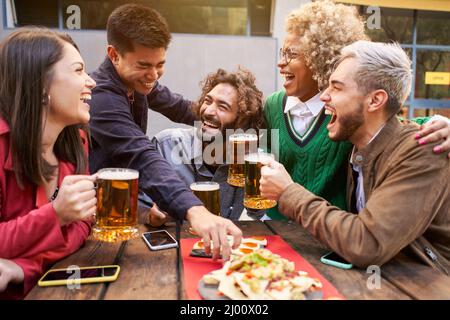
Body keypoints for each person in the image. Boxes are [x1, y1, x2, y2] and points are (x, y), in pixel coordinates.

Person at [260, 41, 450, 274]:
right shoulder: (356, 146)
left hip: (428, 284)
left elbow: (365, 244)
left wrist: (287, 192)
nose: (324, 97)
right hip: (384, 278)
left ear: (375, 100)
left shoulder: (424, 149)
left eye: (336, 88)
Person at [264, 0, 450, 220]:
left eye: (291, 55)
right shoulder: (273, 105)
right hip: (277, 230)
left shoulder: (347, 111)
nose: (280, 63)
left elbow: (399, 128)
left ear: (320, 59)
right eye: (282, 53)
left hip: (332, 232)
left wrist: (444, 124)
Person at [88, 4, 241, 260]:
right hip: (96, 217)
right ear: (114, 55)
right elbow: (142, 156)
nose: (153, 75)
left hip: (123, 212)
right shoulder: (103, 98)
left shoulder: (134, 79)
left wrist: (224, 120)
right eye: (145, 65)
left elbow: (178, 106)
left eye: (160, 64)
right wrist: (196, 211)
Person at [0, 28, 97, 299]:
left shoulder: (76, 141)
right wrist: (56, 215)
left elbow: (83, 223)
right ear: (42, 85)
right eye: (78, 71)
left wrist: (26, 266)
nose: (91, 82)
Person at [152, 68, 265, 221]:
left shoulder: (252, 165)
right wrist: (149, 215)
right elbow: (141, 207)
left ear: (242, 121)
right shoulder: (167, 146)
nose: (208, 111)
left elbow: (257, 220)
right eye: (207, 101)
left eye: (222, 107)